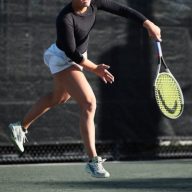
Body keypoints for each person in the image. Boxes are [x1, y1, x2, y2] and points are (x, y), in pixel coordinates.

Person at [8, 0, 161, 178]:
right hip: (64, 58)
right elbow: (72, 53)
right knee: (89, 103)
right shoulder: (65, 18)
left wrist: (148, 23)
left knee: (58, 98)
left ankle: (20, 127)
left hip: (78, 57)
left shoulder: (94, 3)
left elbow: (121, 9)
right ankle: (93, 161)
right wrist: (95, 68)